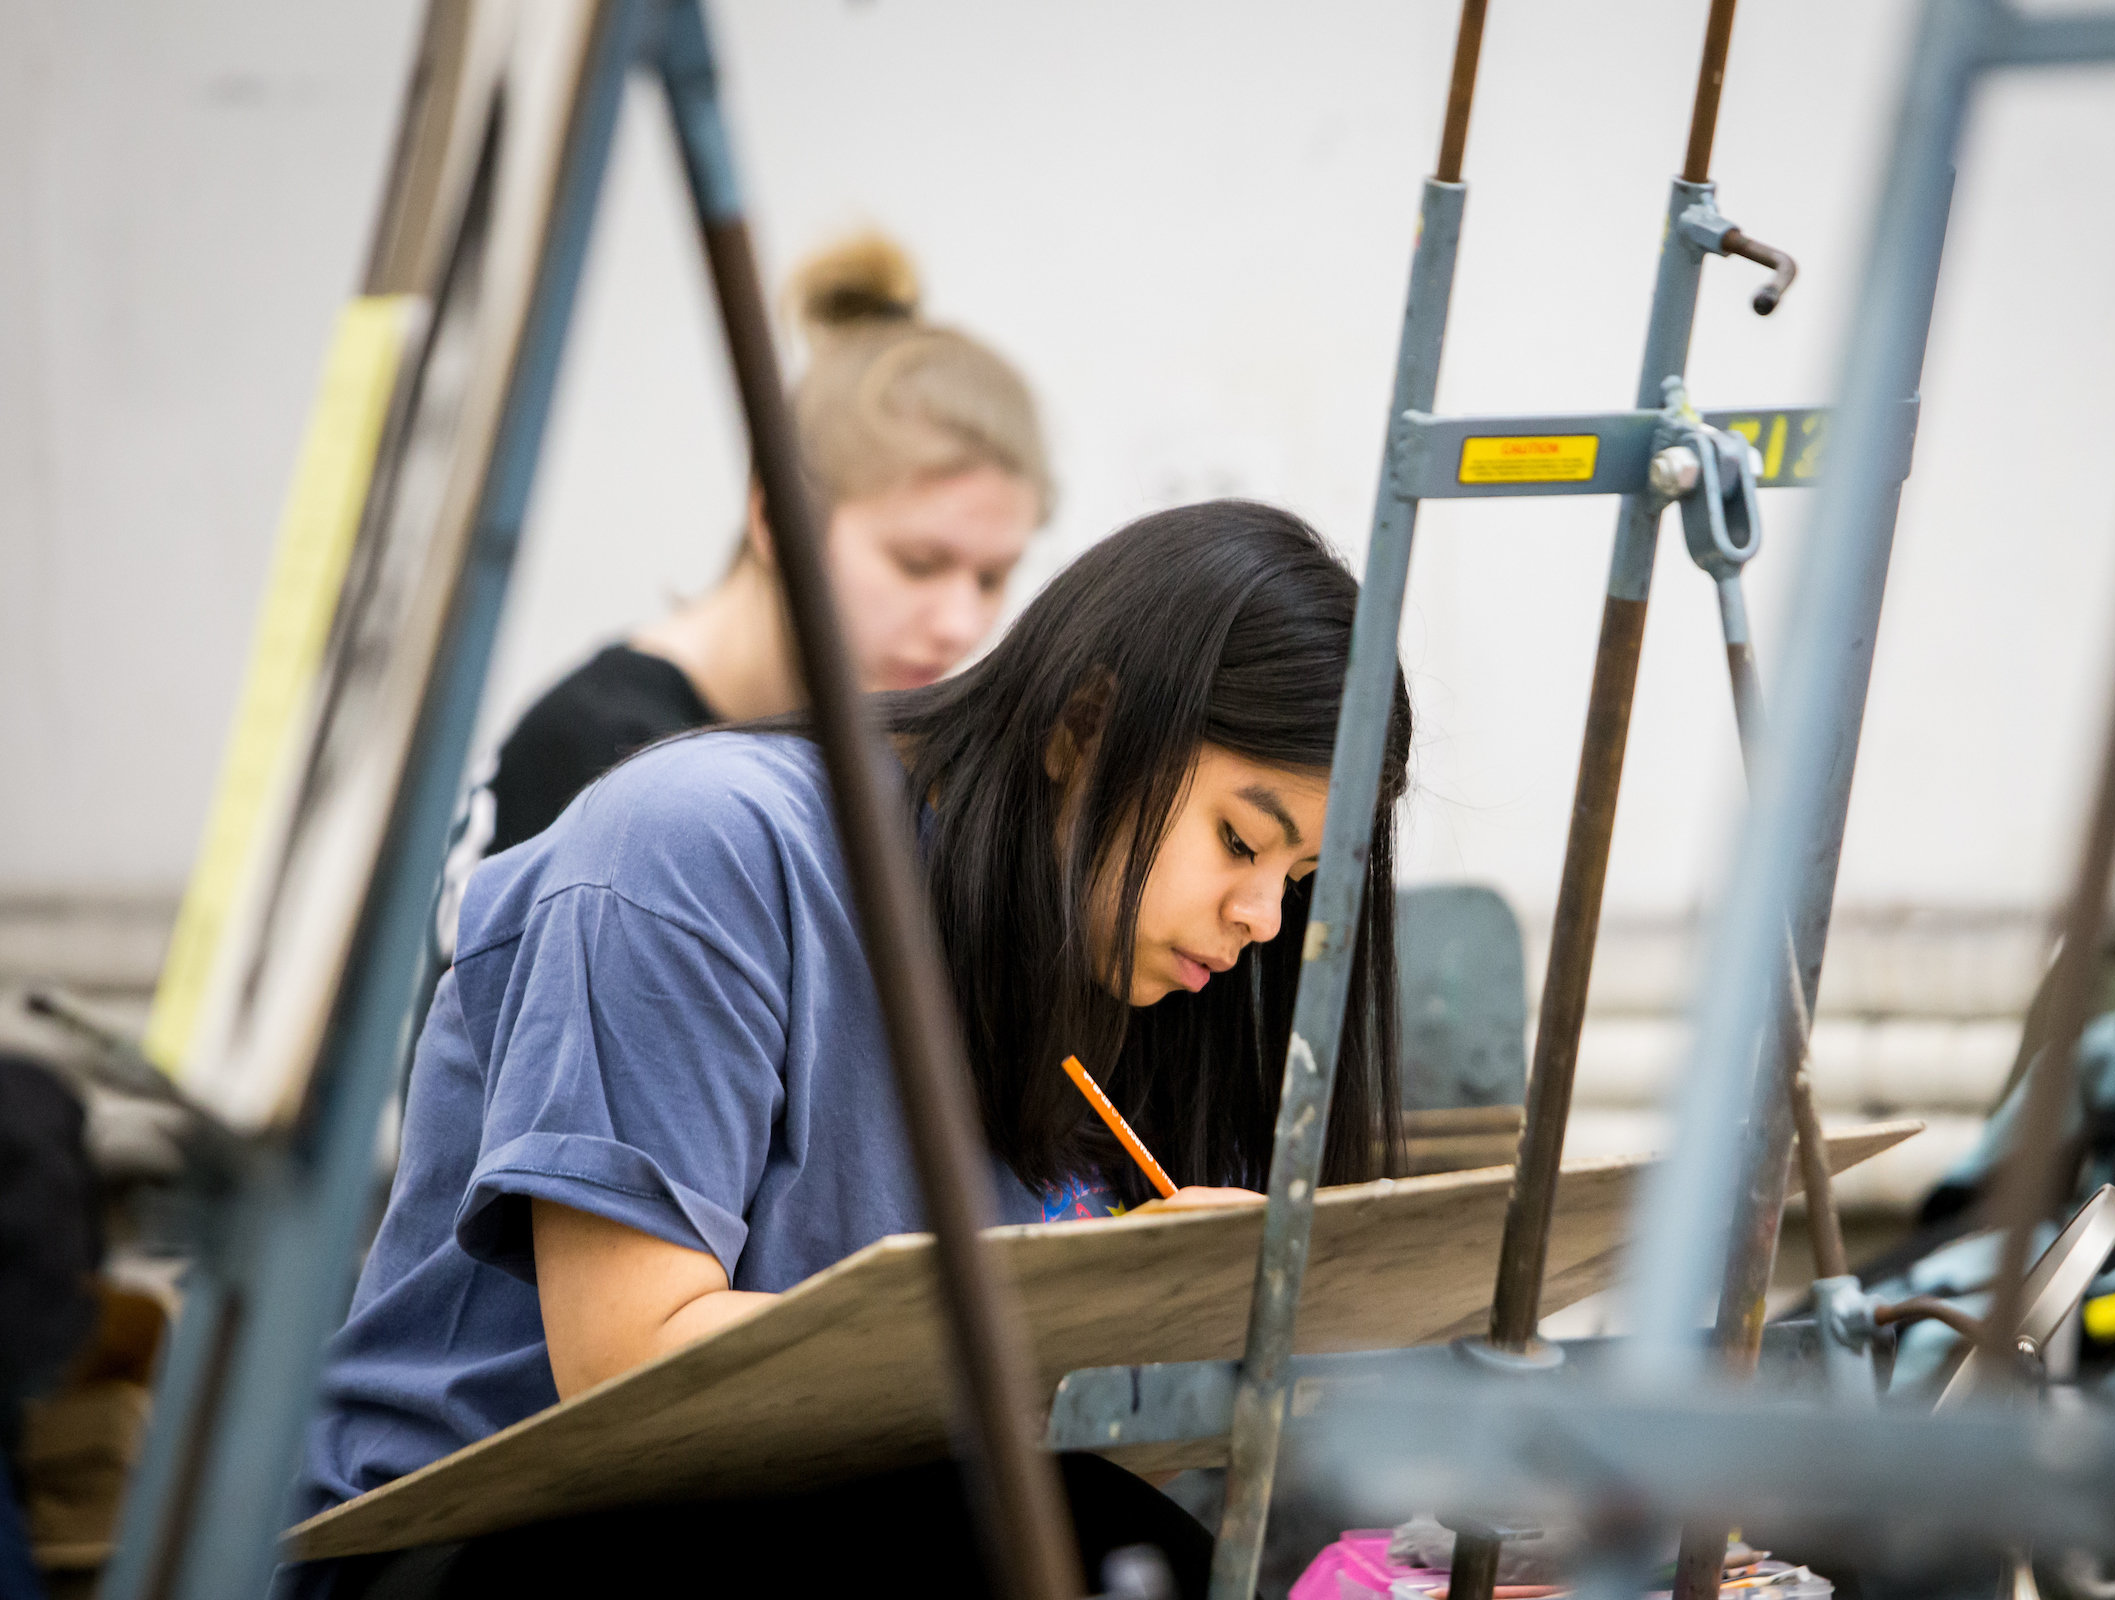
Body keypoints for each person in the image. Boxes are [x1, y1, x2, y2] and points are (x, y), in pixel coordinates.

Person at [290, 501, 1413, 1597]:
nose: (1264, 916)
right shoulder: (700, 846)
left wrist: (1168, 1331)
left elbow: (1030, 1439)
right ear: (1085, 729)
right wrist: (1066, 1317)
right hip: (482, 1533)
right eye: (1239, 841)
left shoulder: (1104, 962)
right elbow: (636, 1366)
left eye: (1298, 881)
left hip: (814, 1503)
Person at [472, 231, 1050, 864]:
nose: (959, 625)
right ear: (774, 517)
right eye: (917, 565)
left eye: (992, 578)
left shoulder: (881, 765)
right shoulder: (608, 759)